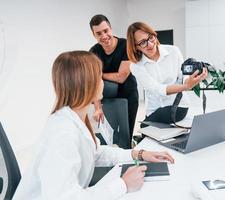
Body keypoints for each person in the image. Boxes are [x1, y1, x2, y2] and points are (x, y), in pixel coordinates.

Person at [13, 51, 174, 200]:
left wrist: (138, 154)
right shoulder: (63, 134)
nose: (103, 83)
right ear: (86, 84)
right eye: (99, 77)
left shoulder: (75, 117)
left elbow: (96, 153)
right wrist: (123, 184)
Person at [126, 22, 208, 125]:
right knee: (146, 130)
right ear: (135, 46)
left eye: (150, 37)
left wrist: (193, 79)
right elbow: (157, 89)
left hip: (178, 106)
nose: (150, 45)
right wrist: (186, 86)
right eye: (143, 42)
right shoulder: (136, 66)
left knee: (144, 127)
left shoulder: (174, 51)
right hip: (154, 110)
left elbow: (183, 78)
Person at [89, 14, 138, 144]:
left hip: (128, 94)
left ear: (111, 28)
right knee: (110, 136)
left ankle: (128, 151)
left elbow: (121, 77)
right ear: (94, 35)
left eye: (106, 31)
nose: (104, 36)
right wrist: (98, 108)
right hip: (107, 96)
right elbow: (94, 82)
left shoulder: (125, 45)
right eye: (99, 33)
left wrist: (100, 74)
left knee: (126, 135)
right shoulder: (94, 52)